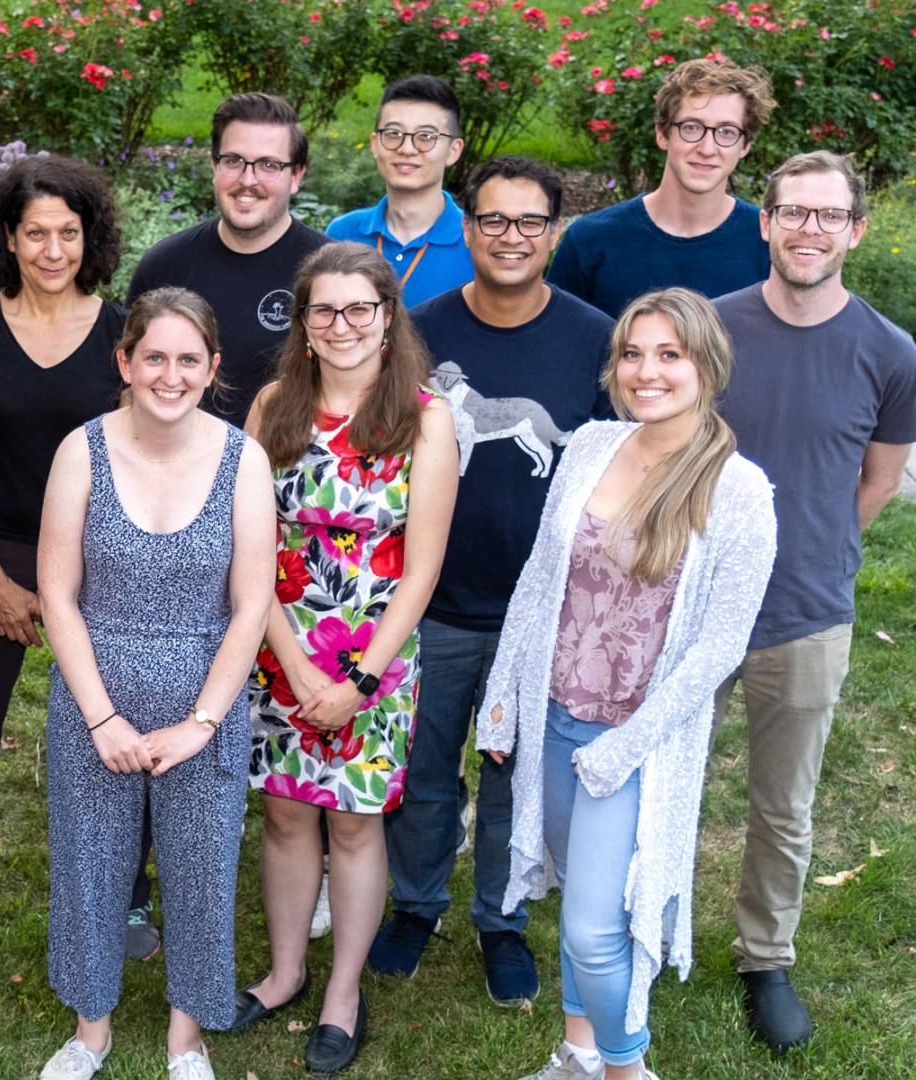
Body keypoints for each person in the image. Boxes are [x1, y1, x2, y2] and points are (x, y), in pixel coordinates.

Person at [480, 288, 779, 1080]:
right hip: (553, 714)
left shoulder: (740, 490)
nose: (647, 372)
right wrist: (507, 693)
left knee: (591, 931)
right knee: (583, 893)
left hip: (636, 742)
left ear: (707, 365)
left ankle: (624, 1066)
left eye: (669, 355)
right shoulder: (591, 448)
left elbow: (720, 645)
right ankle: (577, 1051)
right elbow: (543, 579)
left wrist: (628, 746)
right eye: (633, 355)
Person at [368, 157, 614, 1004]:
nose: (511, 238)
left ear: (552, 234)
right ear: (466, 228)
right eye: (494, 221)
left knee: (513, 770)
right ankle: (415, 903)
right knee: (424, 762)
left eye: (530, 223)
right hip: (429, 599)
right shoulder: (419, 332)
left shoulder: (594, 339)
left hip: (543, 609)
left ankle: (501, 918)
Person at [38, 288, 276, 1080]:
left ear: (212, 368)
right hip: (94, 688)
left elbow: (251, 606)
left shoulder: (245, 460)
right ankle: (90, 1028)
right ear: (125, 362)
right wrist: (100, 716)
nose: (169, 376)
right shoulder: (83, 451)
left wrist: (202, 722)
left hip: (204, 692)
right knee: (89, 861)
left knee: (203, 865)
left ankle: (187, 1034)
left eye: (187, 360)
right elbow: (58, 595)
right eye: (153, 358)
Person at [711, 150, 916, 1053]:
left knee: (783, 804)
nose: (808, 230)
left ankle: (766, 956)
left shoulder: (889, 350)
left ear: (855, 231)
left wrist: (814, 541)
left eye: (829, 216)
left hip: (806, 608)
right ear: (764, 221)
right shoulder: (710, 329)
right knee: (653, 782)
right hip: (692, 602)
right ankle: (646, 928)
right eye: (793, 212)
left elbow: (877, 478)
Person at [238, 242, 458, 1074]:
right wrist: (292, 666)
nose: (341, 326)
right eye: (322, 311)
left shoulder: (423, 418)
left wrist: (362, 677)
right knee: (289, 813)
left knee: (356, 825)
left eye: (358, 309)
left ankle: (344, 992)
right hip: (279, 645)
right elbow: (248, 547)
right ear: (302, 324)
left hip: (378, 655)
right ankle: (288, 972)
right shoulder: (272, 407)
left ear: (387, 318)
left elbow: (425, 562)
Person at [0, 156, 132, 964]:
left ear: (89, 238)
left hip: (101, 545)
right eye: (35, 232)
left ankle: (127, 887)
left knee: (113, 715)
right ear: (8, 237)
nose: (51, 249)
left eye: (68, 233)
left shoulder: (121, 331)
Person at [126, 93, 330, 425]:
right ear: (213, 166)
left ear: (296, 176)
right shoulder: (163, 267)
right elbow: (130, 388)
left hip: (289, 470)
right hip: (177, 468)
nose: (247, 180)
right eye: (233, 161)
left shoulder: (329, 275)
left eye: (268, 165)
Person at [548, 59, 775, 318]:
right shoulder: (590, 243)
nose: (707, 148)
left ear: (744, 146)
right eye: (691, 128)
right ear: (662, 134)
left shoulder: (767, 245)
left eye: (726, 132)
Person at [325, 76, 472, 309]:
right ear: (375, 144)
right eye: (393, 134)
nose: (406, 149)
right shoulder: (342, 233)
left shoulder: (475, 240)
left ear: (454, 151)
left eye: (426, 137)